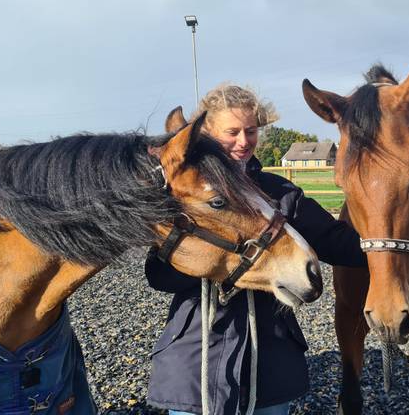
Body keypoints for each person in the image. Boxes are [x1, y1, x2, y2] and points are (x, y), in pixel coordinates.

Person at [145, 84, 367, 415]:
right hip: (196, 356)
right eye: (232, 132)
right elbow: (158, 275)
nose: (243, 141)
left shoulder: (280, 194)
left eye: (251, 131)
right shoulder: (183, 196)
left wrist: (395, 246)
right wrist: (223, 264)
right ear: (206, 133)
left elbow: (336, 241)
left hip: (269, 358)